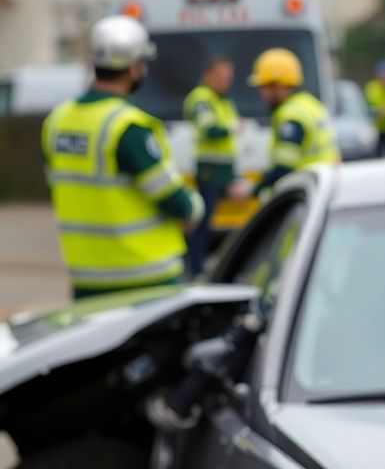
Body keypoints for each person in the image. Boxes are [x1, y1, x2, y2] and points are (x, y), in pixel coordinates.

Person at [41, 15, 203, 299]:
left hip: (87, 281)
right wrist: (195, 207)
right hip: (147, 279)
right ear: (134, 68)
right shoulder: (128, 128)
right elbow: (174, 201)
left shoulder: (57, 122)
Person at [241, 47, 339, 198]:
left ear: (277, 85)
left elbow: (284, 168)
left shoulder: (291, 117)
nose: (261, 93)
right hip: (323, 187)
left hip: (306, 191)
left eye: (263, 87)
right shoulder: (310, 105)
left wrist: (253, 189)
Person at [183, 55, 239, 277]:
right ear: (208, 75)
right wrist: (233, 128)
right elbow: (211, 130)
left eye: (229, 76)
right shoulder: (201, 99)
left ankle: (214, 267)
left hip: (225, 170)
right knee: (201, 223)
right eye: (221, 76)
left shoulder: (223, 100)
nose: (226, 80)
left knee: (221, 224)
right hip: (209, 170)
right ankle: (195, 269)